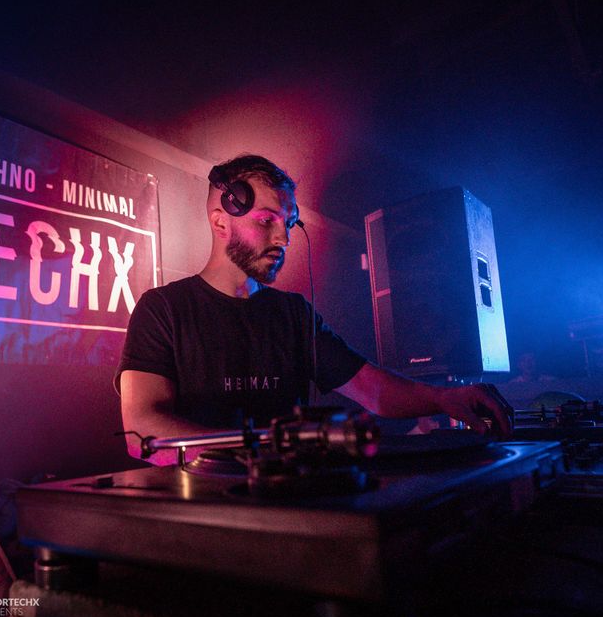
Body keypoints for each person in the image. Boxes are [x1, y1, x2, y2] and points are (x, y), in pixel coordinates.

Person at [116, 155, 510, 465]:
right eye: (267, 220)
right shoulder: (163, 309)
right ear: (221, 223)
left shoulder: (293, 314)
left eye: (288, 224)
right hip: (201, 515)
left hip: (288, 505)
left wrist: (443, 398)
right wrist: (254, 456)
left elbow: (373, 391)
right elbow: (142, 429)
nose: (283, 238)